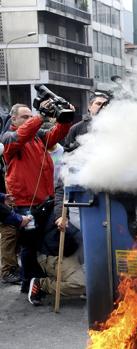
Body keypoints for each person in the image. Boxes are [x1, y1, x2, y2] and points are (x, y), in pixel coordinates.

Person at [1, 102, 72, 294]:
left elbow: (55, 135)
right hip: (25, 205)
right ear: (13, 119)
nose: (29, 120)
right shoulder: (8, 138)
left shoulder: (37, 137)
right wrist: (39, 117)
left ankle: (39, 281)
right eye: (25, 117)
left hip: (44, 201)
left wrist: (65, 118)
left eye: (30, 116)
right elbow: (20, 135)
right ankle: (29, 284)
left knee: (42, 243)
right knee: (29, 247)